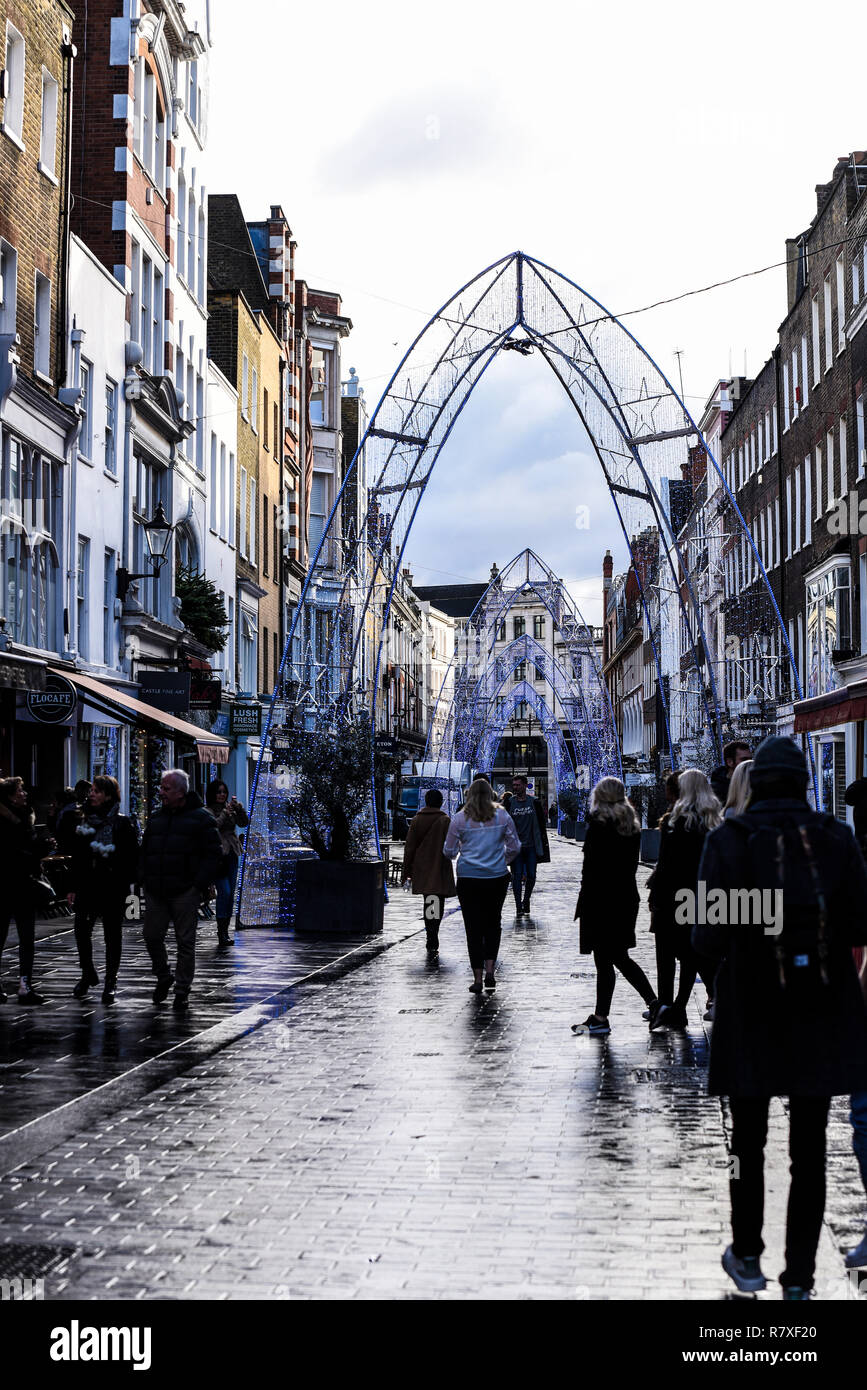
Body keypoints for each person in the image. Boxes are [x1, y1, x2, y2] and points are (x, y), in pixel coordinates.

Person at [696, 736, 867, 1299]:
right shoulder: (836, 839)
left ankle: (746, 1253)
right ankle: (800, 1276)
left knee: (746, 1144)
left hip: (750, 1008)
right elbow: (860, 925)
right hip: (818, 1009)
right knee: (810, 1150)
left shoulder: (728, 841)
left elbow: (706, 936)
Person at [573, 776, 660, 1035]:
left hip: (600, 900)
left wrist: (584, 903)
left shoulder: (598, 827)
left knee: (608, 959)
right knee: (616, 956)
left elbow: (590, 871)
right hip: (624, 898)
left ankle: (606, 1017)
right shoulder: (630, 827)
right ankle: (640, 1006)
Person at [140, 769, 222, 1011]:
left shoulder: (201, 819)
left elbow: (214, 854)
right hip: (157, 889)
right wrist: (143, 876)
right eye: (161, 787)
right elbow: (145, 851)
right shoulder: (156, 818)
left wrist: (198, 885)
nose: (160, 792)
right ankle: (164, 975)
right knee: (151, 935)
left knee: (185, 941)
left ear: (180, 792)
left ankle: (182, 990)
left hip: (185, 890)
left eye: (166, 788)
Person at [648, 768, 722, 1029]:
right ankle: (678, 1005)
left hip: (672, 898)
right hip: (702, 898)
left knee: (666, 955)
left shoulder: (675, 822)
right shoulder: (714, 822)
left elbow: (666, 866)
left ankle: (670, 1006)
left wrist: (656, 897)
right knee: (692, 954)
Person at [444, 778, 520, 993]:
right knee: (493, 923)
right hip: (496, 877)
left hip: (469, 878)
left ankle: (477, 978)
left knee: (473, 927)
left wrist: (461, 850)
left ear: (468, 795)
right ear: (491, 794)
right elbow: (514, 846)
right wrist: (501, 860)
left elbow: (448, 852)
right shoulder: (502, 815)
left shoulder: (459, 819)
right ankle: (490, 972)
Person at [68, 776, 139, 1003]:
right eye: (92, 791)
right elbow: (77, 856)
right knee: (81, 930)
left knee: (112, 935)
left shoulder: (121, 823)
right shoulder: (85, 821)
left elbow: (131, 857)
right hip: (88, 885)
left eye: (97, 791)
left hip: (112, 886)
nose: (92, 794)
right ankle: (87, 973)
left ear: (108, 795)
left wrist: (124, 881)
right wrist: (72, 886)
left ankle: (110, 981)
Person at [0, 777, 54, 1004]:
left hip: (19, 884)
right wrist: (42, 848)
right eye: (20, 790)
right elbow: (19, 852)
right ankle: (24, 985)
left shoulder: (25, 816)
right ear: (11, 796)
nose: (24, 794)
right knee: (22, 936)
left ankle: (24, 983)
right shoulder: (8, 821)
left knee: (22, 936)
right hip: (11, 883)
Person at [401, 788, 456, 955]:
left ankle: (431, 934)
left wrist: (406, 872)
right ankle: (433, 933)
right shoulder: (445, 820)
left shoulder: (417, 820)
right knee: (437, 902)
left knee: (429, 901)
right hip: (439, 867)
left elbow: (409, 848)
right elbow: (450, 846)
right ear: (440, 802)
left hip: (422, 868)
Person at [205, 780, 249, 951]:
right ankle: (220, 931)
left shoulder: (230, 809)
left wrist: (239, 808)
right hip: (218, 855)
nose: (222, 795)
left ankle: (225, 930)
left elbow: (244, 823)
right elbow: (214, 826)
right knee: (225, 891)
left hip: (232, 853)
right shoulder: (207, 811)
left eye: (224, 792)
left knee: (231, 894)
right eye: (218, 792)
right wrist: (225, 813)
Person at [503, 775, 550, 916]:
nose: (515, 787)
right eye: (514, 785)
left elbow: (541, 825)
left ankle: (526, 899)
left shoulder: (534, 802)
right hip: (515, 847)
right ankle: (518, 905)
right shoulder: (509, 803)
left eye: (518, 785)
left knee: (532, 875)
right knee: (516, 876)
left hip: (531, 846)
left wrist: (543, 844)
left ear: (525, 785)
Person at [710, 740, 751, 806]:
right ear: (730, 762)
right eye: (744, 760)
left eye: (750, 759)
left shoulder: (754, 785)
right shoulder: (715, 793)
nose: (749, 763)